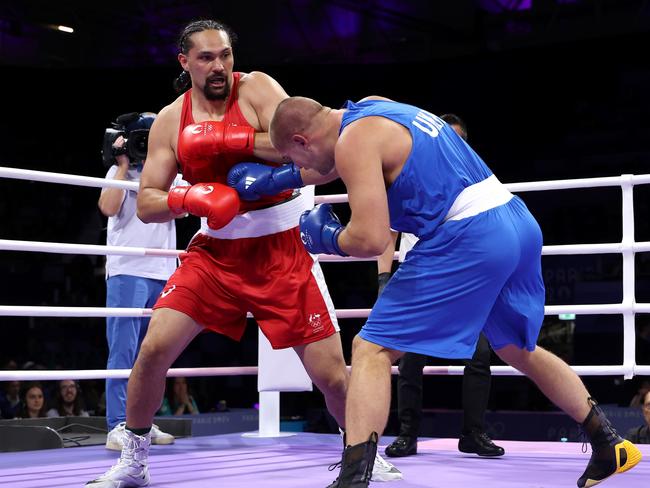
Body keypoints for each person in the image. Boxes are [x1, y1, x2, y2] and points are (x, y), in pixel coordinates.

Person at [268, 95, 642, 487]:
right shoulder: (372, 106)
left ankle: (353, 479)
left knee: (370, 349)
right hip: (515, 219)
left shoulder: (351, 142)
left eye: (294, 160)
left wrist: (326, 238)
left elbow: (371, 239)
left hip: (468, 235)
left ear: (301, 140)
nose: (301, 170)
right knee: (516, 348)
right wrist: (281, 181)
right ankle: (608, 442)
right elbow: (336, 165)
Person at [86, 19, 399, 488]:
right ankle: (133, 458)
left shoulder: (255, 89)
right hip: (214, 252)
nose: (219, 66)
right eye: (207, 57)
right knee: (152, 351)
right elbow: (148, 199)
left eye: (225, 55)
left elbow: (301, 145)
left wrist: (227, 140)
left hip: (280, 247)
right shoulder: (171, 119)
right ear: (185, 62)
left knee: (332, 375)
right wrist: (189, 199)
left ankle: (364, 455)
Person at [380, 114, 503, 458]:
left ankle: (473, 434)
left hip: (464, 277)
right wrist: (383, 278)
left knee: (479, 354)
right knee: (409, 359)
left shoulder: (476, 182)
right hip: (419, 277)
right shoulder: (409, 173)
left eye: (457, 140)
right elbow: (387, 229)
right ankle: (407, 433)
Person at [98, 112, 177, 451]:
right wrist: (121, 164)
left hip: (164, 271)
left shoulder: (170, 175)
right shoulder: (118, 174)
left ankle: (142, 422)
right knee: (124, 351)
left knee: (155, 354)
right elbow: (107, 206)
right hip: (128, 269)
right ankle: (117, 424)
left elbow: (181, 209)